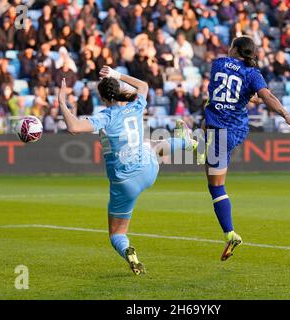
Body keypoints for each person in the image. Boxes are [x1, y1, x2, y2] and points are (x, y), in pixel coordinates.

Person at [57, 66, 194, 275]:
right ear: (118, 90)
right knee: (153, 145)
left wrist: (61, 103)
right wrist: (116, 74)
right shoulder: (135, 106)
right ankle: (185, 141)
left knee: (116, 233)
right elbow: (144, 85)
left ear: (102, 98)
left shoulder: (105, 117)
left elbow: (74, 127)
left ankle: (129, 253)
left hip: (124, 183)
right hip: (147, 172)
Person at [176, 36, 290, 261]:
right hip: (235, 130)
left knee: (215, 184)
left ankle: (194, 143)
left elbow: (225, 90)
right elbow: (266, 95)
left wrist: (251, 98)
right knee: (214, 178)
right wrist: (285, 114)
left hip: (218, 130)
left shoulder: (218, 63)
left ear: (234, 49)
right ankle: (230, 233)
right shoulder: (252, 74)